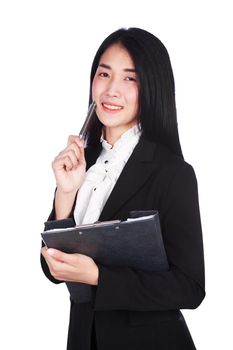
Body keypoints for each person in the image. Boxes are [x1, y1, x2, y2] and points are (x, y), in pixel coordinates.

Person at [41, 27, 205, 350]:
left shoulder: (173, 173)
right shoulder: (81, 164)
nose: (111, 89)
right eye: (104, 74)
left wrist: (101, 277)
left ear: (151, 88)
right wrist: (65, 194)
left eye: (130, 78)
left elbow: (190, 287)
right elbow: (53, 269)